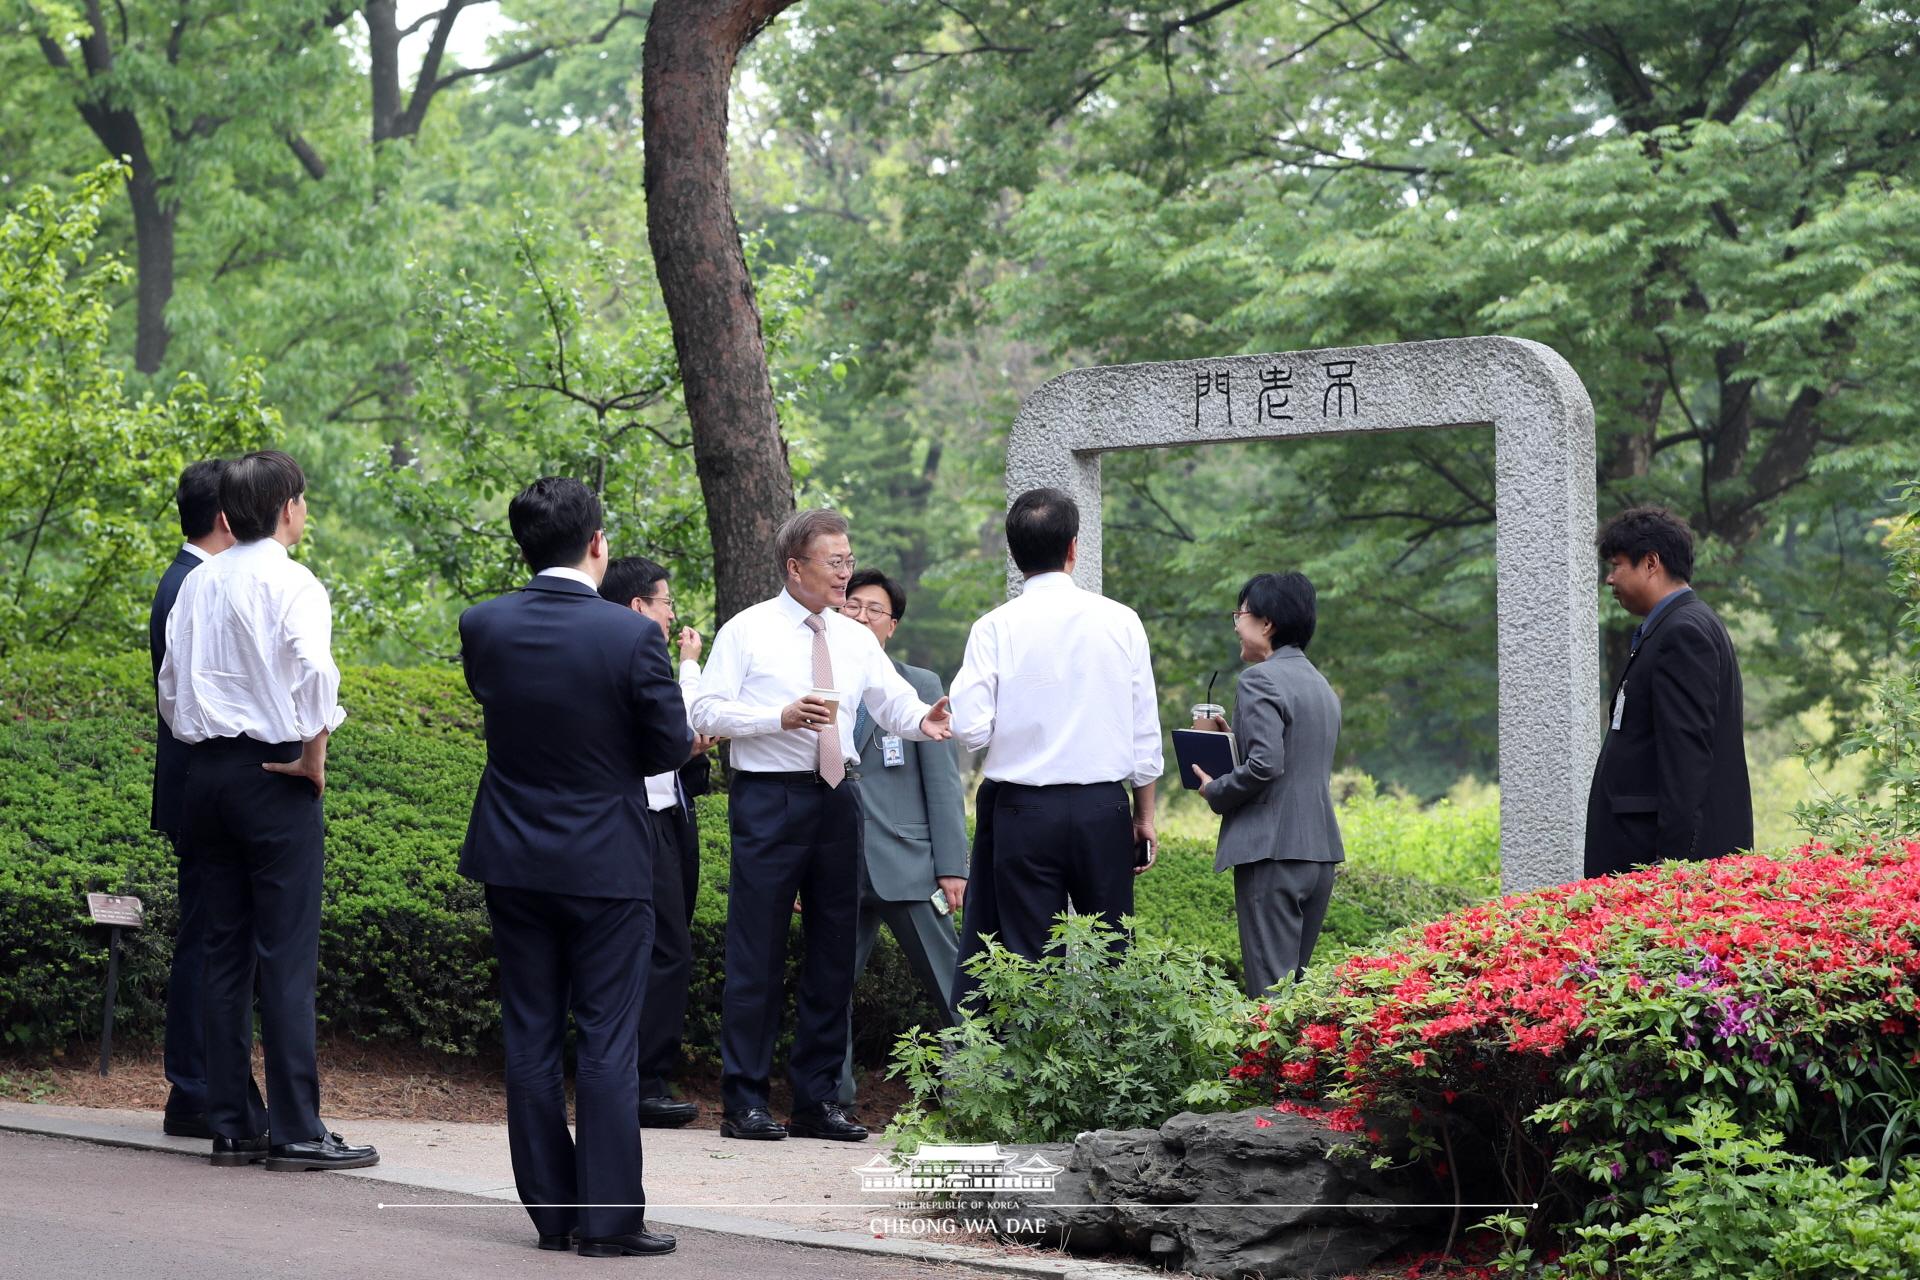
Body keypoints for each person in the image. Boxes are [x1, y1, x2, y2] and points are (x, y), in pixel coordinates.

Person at [458, 479, 691, 1257]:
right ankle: (608, 1220)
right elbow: (666, 748)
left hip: (513, 855)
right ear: (598, 544)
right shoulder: (630, 638)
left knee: (528, 1036)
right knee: (606, 1041)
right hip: (607, 863)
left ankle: (553, 1214)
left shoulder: (483, 624)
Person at [689, 508, 953, 1143]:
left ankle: (817, 1102)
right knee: (758, 949)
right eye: (834, 561)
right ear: (795, 566)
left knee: (834, 952)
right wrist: (776, 717)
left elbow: (892, 703)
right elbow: (705, 709)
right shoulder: (747, 630)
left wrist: (928, 720)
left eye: (848, 557)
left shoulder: (854, 637)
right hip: (769, 798)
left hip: (840, 797)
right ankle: (745, 1103)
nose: (846, 572)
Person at [156, 450, 375, 1173]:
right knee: (285, 955)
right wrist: (314, 753)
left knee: (222, 953)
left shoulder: (198, 582)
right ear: (286, 508)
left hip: (206, 773)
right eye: (302, 501)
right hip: (275, 770)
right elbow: (315, 671)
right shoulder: (294, 580)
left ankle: (233, 1123)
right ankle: (298, 1128)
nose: (304, 512)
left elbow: (170, 686)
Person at [948, 488, 1162, 961]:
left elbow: (971, 730)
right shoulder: (1122, 621)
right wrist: (1143, 817)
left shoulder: (993, 627)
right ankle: (1112, 1038)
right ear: (1072, 548)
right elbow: (1144, 732)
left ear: (1014, 551)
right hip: (1102, 807)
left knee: (1026, 959)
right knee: (1112, 956)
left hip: (1023, 812)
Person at [147, 460, 264, 1140]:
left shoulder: (186, 579)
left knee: (210, 938)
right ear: (226, 517)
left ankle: (199, 1082)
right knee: (207, 942)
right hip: (207, 787)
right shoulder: (193, 583)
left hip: (197, 788)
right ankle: (193, 1085)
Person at [832, 569, 967, 1109]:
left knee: (952, 986)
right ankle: (830, 1100)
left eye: (874, 610)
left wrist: (952, 865)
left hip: (909, 866)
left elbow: (943, 783)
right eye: (852, 607)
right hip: (839, 862)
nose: (861, 617)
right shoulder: (822, 682)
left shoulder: (920, 685)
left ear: (892, 625)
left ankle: (975, 1093)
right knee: (830, 989)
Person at [597, 555, 716, 1129]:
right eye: (666, 602)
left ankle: (640, 1076)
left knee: (666, 945)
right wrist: (690, 670)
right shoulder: (627, 654)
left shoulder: (624, 652)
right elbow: (680, 732)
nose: (673, 615)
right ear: (639, 606)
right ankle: (645, 1081)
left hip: (668, 817)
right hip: (640, 818)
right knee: (663, 950)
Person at [1188, 573, 1345, 996]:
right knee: (1294, 994)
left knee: (1271, 999)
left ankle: (1271, 1067)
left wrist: (1215, 789)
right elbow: (1289, 760)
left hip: (1272, 854)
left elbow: (1265, 766)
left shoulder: (1259, 679)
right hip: (1318, 854)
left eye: (1239, 615)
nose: (1236, 625)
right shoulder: (1320, 685)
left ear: (1266, 624)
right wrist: (1233, 741)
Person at [1585, 506, 1752, 878]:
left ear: (1651, 563)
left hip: (1660, 870)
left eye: (1616, 565)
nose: (1610, 579)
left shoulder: (1681, 633)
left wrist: (1671, 869)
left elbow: (1686, 759)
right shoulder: (1680, 625)